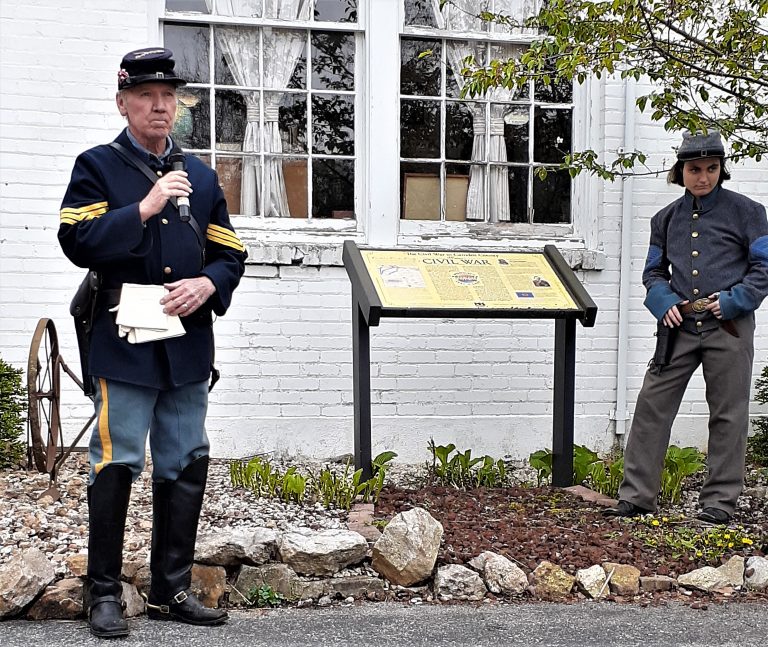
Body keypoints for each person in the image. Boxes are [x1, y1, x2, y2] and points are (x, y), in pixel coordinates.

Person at [58, 47, 247, 638]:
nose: (160, 106)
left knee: (185, 460)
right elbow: (77, 239)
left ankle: (171, 589)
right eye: (146, 97)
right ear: (123, 104)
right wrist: (144, 207)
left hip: (186, 346)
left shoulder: (204, 175)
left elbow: (230, 252)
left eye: (169, 97)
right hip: (124, 343)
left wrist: (207, 282)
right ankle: (105, 595)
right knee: (116, 463)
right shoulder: (97, 167)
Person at [604, 131, 768, 525]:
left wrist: (731, 301)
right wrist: (663, 302)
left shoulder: (749, 212)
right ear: (681, 172)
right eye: (695, 169)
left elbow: (764, 269)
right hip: (678, 328)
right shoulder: (664, 220)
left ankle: (719, 502)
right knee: (650, 407)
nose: (704, 177)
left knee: (728, 413)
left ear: (720, 169)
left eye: (712, 169)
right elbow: (653, 273)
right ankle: (637, 497)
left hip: (729, 327)